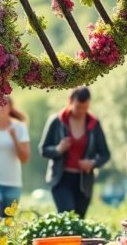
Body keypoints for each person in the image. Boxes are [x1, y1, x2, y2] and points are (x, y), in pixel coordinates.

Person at [39, 87, 111, 219]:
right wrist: (58, 149)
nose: (82, 112)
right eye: (78, 107)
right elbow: (43, 149)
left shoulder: (94, 124)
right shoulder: (56, 121)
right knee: (68, 217)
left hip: (84, 182)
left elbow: (105, 154)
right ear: (70, 101)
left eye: (86, 107)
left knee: (79, 221)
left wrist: (92, 163)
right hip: (61, 179)